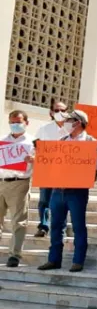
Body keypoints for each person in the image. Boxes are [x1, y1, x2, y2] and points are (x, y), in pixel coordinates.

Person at [37, 109, 97, 272]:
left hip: (77, 192)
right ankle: (54, 260)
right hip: (57, 190)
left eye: (69, 120)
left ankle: (78, 260)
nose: (66, 122)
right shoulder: (62, 140)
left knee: (78, 226)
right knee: (55, 226)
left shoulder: (91, 141)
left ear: (78, 122)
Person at [0, 111, 35, 267]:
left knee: (18, 221)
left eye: (18, 122)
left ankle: (15, 254)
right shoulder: (2, 141)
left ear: (26, 123)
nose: (15, 125)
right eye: (12, 122)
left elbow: (46, 163)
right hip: (1, 181)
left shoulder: (33, 142)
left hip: (20, 182)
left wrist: (35, 160)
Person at [33, 99, 67, 237]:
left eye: (63, 111)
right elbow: (36, 146)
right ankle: (44, 226)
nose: (60, 113)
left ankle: (61, 228)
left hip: (64, 171)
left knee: (62, 201)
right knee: (44, 200)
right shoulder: (43, 129)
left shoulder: (71, 130)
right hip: (46, 170)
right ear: (51, 112)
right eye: (57, 110)